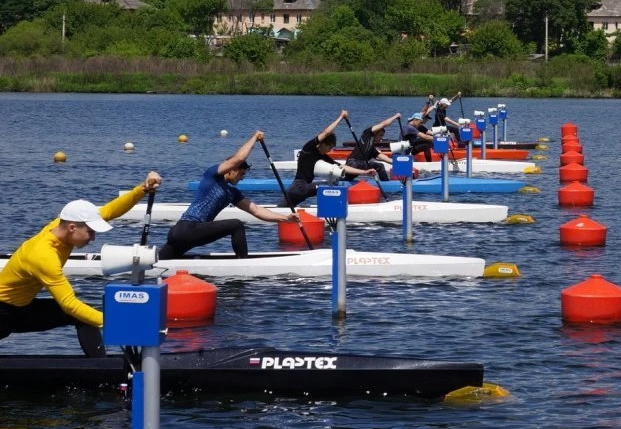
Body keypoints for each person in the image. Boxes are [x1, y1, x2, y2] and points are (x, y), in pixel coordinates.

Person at [0, 171, 162, 357]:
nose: (93, 238)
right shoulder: (43, 256)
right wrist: (116, 322)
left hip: (21, 308)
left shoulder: (62, 226)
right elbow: (69, 304)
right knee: (76, 312)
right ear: (72, 228)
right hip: (3, 311)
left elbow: (109, 211)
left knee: (83, 317)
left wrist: (143, 189)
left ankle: (100, 367)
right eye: (90, 232)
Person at [159, 130, 298, 260]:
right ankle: (243, 264)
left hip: (185, 233)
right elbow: (239, 158)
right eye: (241, 174)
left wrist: (286, 219)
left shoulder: (232, 193)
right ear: (231, 169)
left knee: (158, 263)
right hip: (187, 228)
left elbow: (256, 210)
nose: (242, 178)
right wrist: (254, 137)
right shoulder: (212, 176)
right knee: (236, 225)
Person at [286, 109, 377, 207]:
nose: (330, 150)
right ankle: (334, 209)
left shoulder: (323, 157)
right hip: (299, 187)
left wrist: (364, 172)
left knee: (283, 208)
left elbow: (342, 167)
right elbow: (326, 133)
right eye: (329, 147)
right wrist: (341, 117)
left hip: (298, 189)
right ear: (322, 143)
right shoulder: (308, 148)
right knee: (332, 184)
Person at [345, 113, 401, 181]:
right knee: (380, 166)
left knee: (347, 180)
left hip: (356, 165)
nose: (382, 138)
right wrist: (395, 117)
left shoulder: (372, 149)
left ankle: (341, 182)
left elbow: (386, 159)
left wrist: (401, 164)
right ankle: (386, 183)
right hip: (352, 163)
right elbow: (383, 124)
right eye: (380, 135)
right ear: (375, 133)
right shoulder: (367, 134)